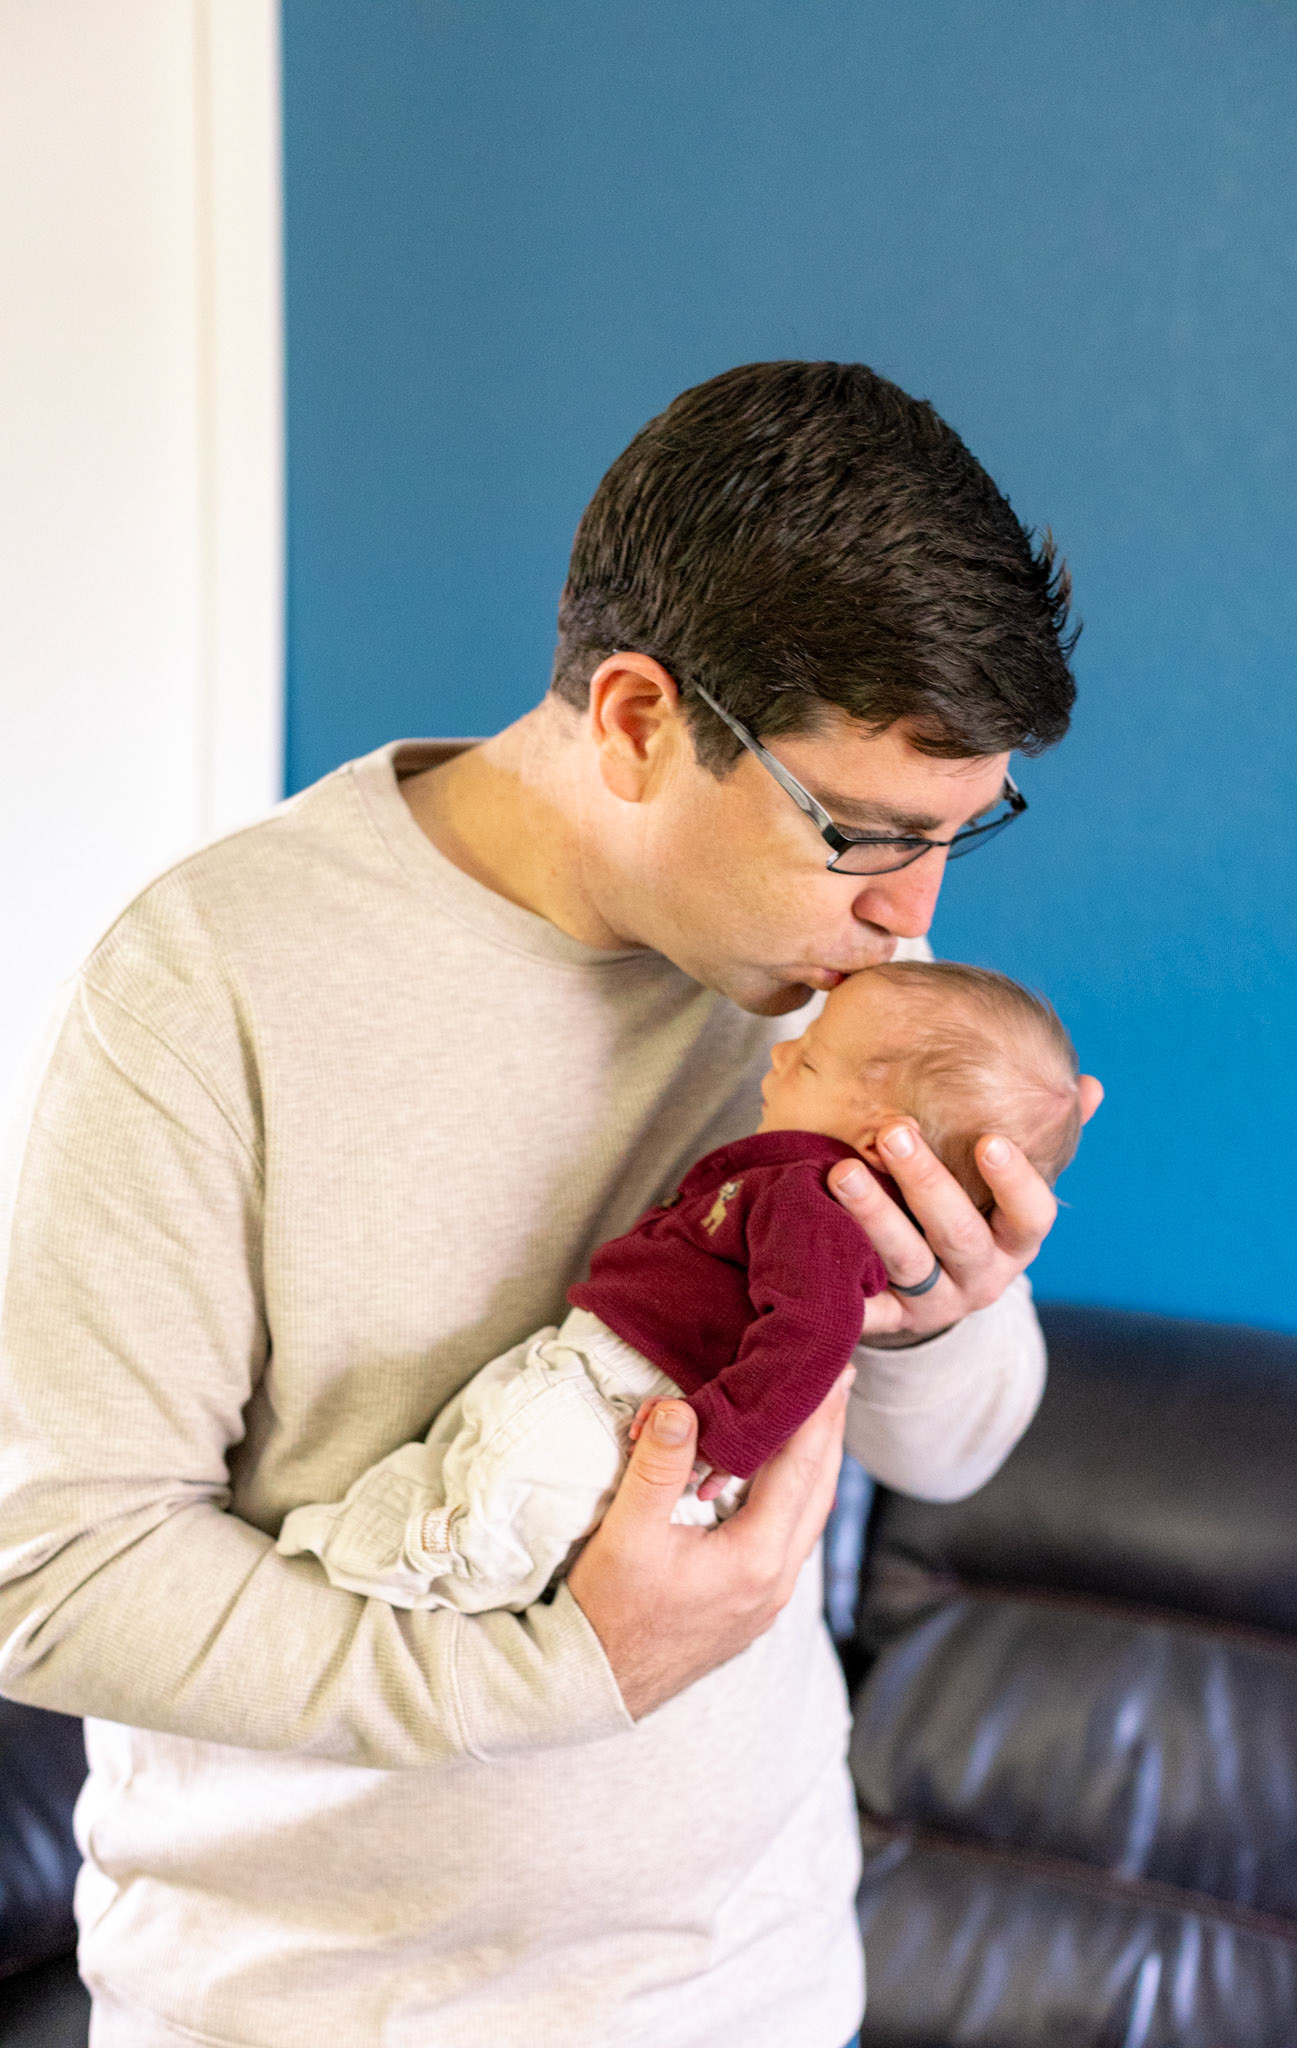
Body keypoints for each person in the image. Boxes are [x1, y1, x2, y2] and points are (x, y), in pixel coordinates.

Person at [0, 360, 1101, 2048]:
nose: (912, 913)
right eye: (867, 832)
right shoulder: (210, 980)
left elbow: (955, 1453)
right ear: (638, 721)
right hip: (302, 2015)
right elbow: (57, 1571)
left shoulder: (844, 983)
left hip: (753, 1989)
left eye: (966, 830)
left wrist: (937, 1313)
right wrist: (549, 1677)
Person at [275, 960, 1084, 1616]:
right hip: (596, 1369)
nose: (778, 1055)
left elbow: (814, 1330)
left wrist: (725, 1440)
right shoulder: (794, 1177)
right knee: (481, 1449)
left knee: (520, 1484)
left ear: (882, 1142)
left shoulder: (813, 1203)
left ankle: (435, 1578)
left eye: (806, 1060)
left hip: (637, 1401)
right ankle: (375, 1539)